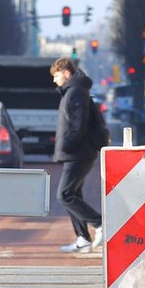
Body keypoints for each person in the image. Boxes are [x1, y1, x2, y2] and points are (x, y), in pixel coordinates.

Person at [51, 57, 104, 254]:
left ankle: (100, 224)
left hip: (79, 152)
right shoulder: (74, 92)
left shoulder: (76, 93)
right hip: (77, 152)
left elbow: (78, 125)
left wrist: (66, 144)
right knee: (74, 194)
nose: (54, 80)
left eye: (56, 75)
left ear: (66, 73)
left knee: (64, 195)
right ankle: (83, 238)